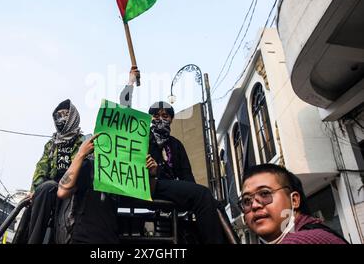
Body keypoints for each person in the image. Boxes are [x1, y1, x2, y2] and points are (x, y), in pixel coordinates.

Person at [146, 101, 229, 244]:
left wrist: (191, 193)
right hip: (150, 184)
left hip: (170, 188)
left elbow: (187, 176)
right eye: (156, 116)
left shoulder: (176, 144)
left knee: (214, 203)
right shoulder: (143, 140)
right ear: (150, 119)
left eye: (165, 115)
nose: (160, 119)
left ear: (171, 119)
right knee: (203, 194)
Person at [13, 99, 85, 244]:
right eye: (57, 116)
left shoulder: (84, 142)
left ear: (72, 116)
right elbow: (41, 168)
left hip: (72, 188)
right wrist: (35, 189)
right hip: (51, 189)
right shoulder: (51, 145)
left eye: (64, 114)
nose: (60, 119)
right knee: (44, 189)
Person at [240, 163, 348, 244]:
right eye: (246, 201)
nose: (254, 205)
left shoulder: (299, 241)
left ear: (294, 200)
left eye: (264, 193)